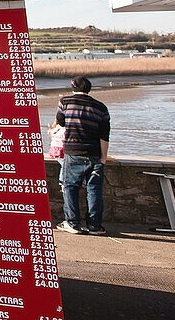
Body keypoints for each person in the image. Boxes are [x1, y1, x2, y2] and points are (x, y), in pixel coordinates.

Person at [55, 76, 111, 235]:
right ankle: (95, 225)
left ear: (73, 87)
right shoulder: (101, 108)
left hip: (73, 151)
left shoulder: (65, 102)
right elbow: (105, 135)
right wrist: (103, 157)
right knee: (94, 189)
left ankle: (72, 223)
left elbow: (61, 121)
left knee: (70, 187)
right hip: (94, 152)